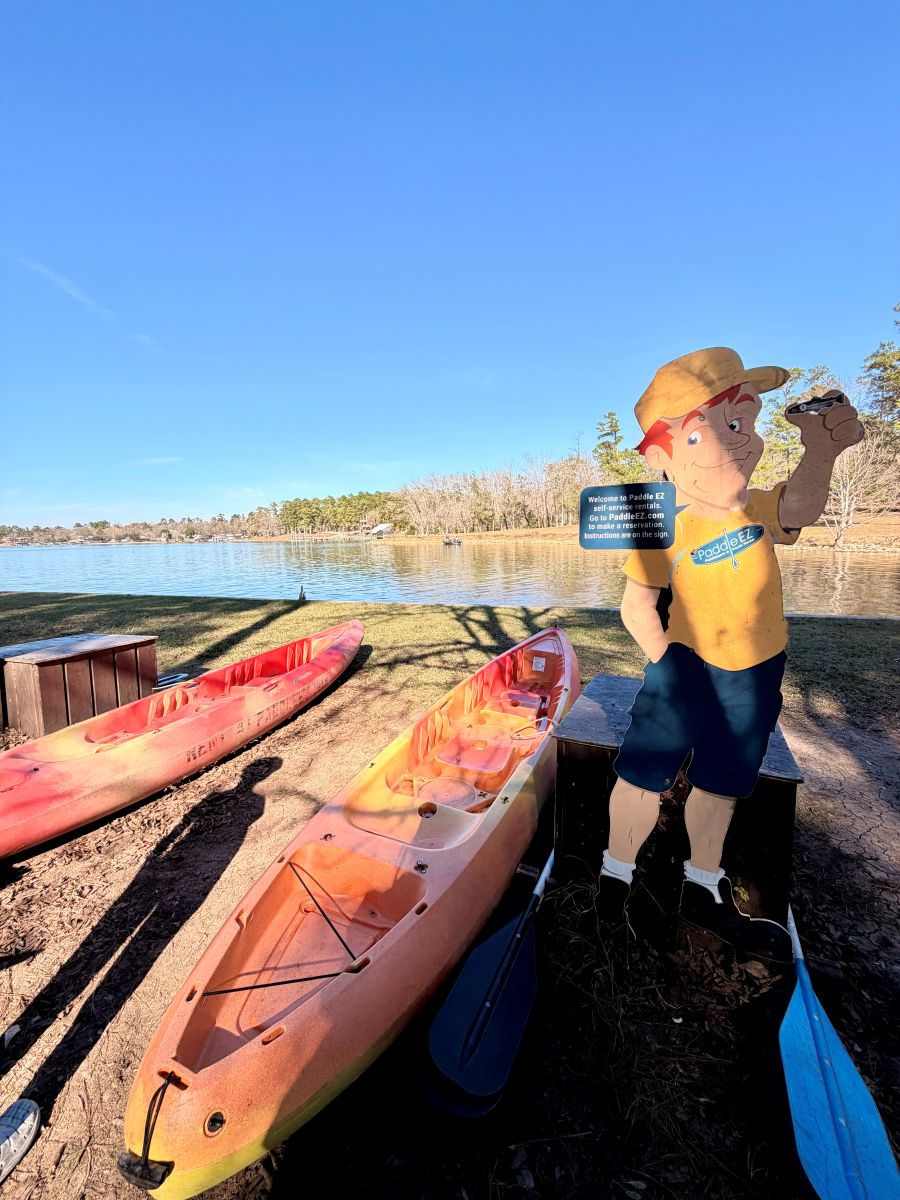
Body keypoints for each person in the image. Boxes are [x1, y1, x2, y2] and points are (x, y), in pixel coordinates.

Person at [598, 347, 863, 958]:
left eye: (743, 423)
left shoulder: (759, 506)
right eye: (709, 432)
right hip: (685, 666)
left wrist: (820, 450)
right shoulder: (663, 524)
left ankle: (700, 885)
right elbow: (635, 606)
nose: (738, 443)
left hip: (758, 667)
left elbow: (800, 507)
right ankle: (615, 880)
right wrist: (668, 662)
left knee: (721, 782)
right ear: (664, 456)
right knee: (641, 775)